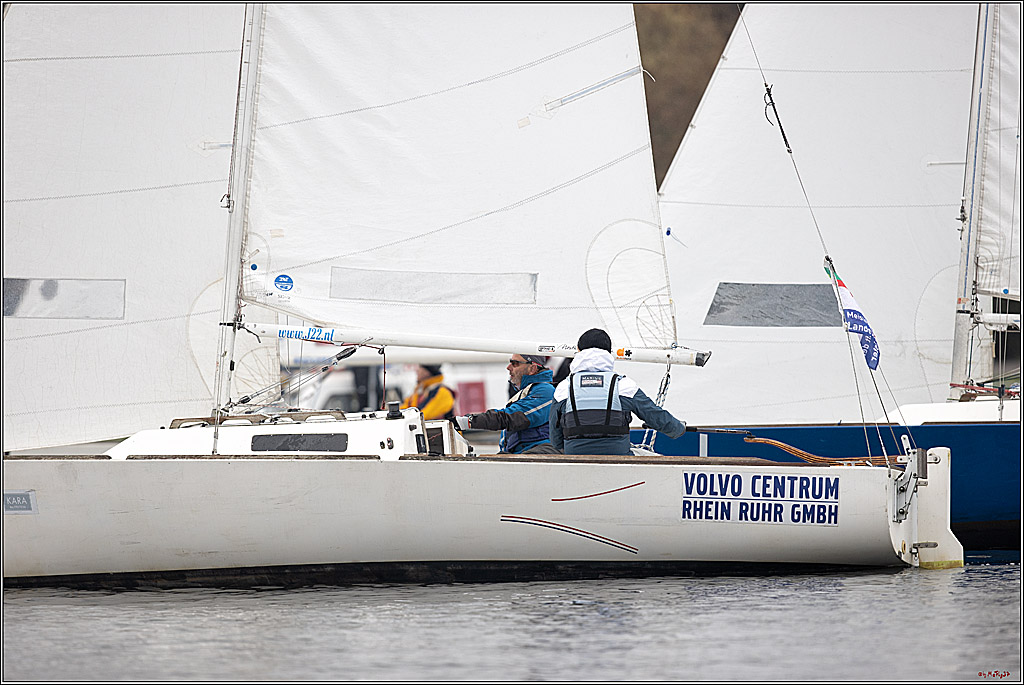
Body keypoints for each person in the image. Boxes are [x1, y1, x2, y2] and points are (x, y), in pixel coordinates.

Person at [549, 328, 686, 455]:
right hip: (618, 458)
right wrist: (678, 428)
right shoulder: (624, 386)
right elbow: (654, 415)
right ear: (609, 353)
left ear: (578, 351)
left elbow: (556, 439)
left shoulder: (563, 388)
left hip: (575, 456)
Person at [453, 354, 558, 454]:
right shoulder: (527, 392)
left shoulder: (546, 391)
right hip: (523, 453)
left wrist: (465, 422)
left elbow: (512, 418)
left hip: (538, 452)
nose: (508, 367)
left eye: (515, 363)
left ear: (532, 369)